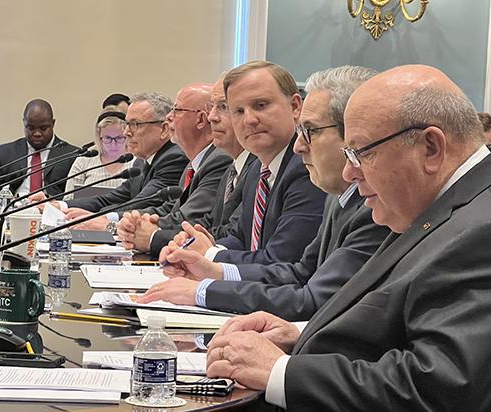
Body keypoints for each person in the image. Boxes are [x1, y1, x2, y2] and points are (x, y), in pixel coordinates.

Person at [204, 65, 491, 412]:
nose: (349, 172)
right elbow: (403, 318)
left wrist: (278, 372)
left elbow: (431, 394)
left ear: (431, 147)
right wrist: (299, 332)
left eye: (361, 153)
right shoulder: (453, 206)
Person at [141, 65, 389, 321]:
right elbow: (298, 272)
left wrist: (204, 286)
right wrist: (212, 269)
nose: (299, 146)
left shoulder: (368, 202)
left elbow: (309, 294)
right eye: (237, 110)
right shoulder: (264, 170)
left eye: (260, 105)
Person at [125, 61, 327, 266]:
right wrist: (189, 248)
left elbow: (280, 261)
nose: (249, 120)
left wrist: (208, 255)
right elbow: (239, 238)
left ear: (294, 106)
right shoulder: (258, 168)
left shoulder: (306, 167)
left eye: (261, 105)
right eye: (238, 111)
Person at [30, 92, 188, 233]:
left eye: (135, 124)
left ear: (164, 130)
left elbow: (141, 204)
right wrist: (59, 206)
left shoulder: (173, 158)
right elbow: (111, 198)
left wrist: (102, 218)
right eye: (126, 124)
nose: (126, 132)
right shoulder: (141, 161)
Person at [116, 83, 232, 255]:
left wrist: (147, 231)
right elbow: (172, 208)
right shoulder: (191, 165)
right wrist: (140, 222)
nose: (169, 117)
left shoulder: (220, 160)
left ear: (200, 119)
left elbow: (192, 219)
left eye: (176, 110)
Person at [148, 74, 257, 249]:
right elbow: (212, 224)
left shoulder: (230, 162)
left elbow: (231, 233)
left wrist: (154, 236)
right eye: (212, 107)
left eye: (223, 107)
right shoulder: (233, 167)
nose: (211, 117)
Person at [0, 99, 77, 198]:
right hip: (13, 210)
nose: (37, 134)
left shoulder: (71, 155)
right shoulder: (4, 154)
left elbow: (73, 197)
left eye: (43, 128)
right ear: (24, 123)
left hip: (52, 210)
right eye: (31, 128)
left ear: (53, 124)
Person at [63, 106, 133, 199]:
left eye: (119, 138)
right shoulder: (84, 160)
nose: (113, 144)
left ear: (126, 134)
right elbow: (68, 198)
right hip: (84, 212)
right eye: (107, 138)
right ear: (99, 136)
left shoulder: (137, 161)